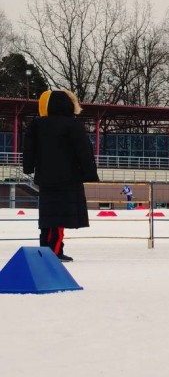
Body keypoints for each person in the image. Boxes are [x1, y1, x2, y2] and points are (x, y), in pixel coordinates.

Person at [22, 89, 100, 262]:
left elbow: (28, 149)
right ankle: (54, 251)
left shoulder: (37, 124)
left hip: (45, 178)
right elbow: (84, 151)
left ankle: (46, 249)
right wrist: (89, 173)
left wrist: (28, 167)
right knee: (59, 216)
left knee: (48, 216)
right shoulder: (72, 124)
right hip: (68, 178)